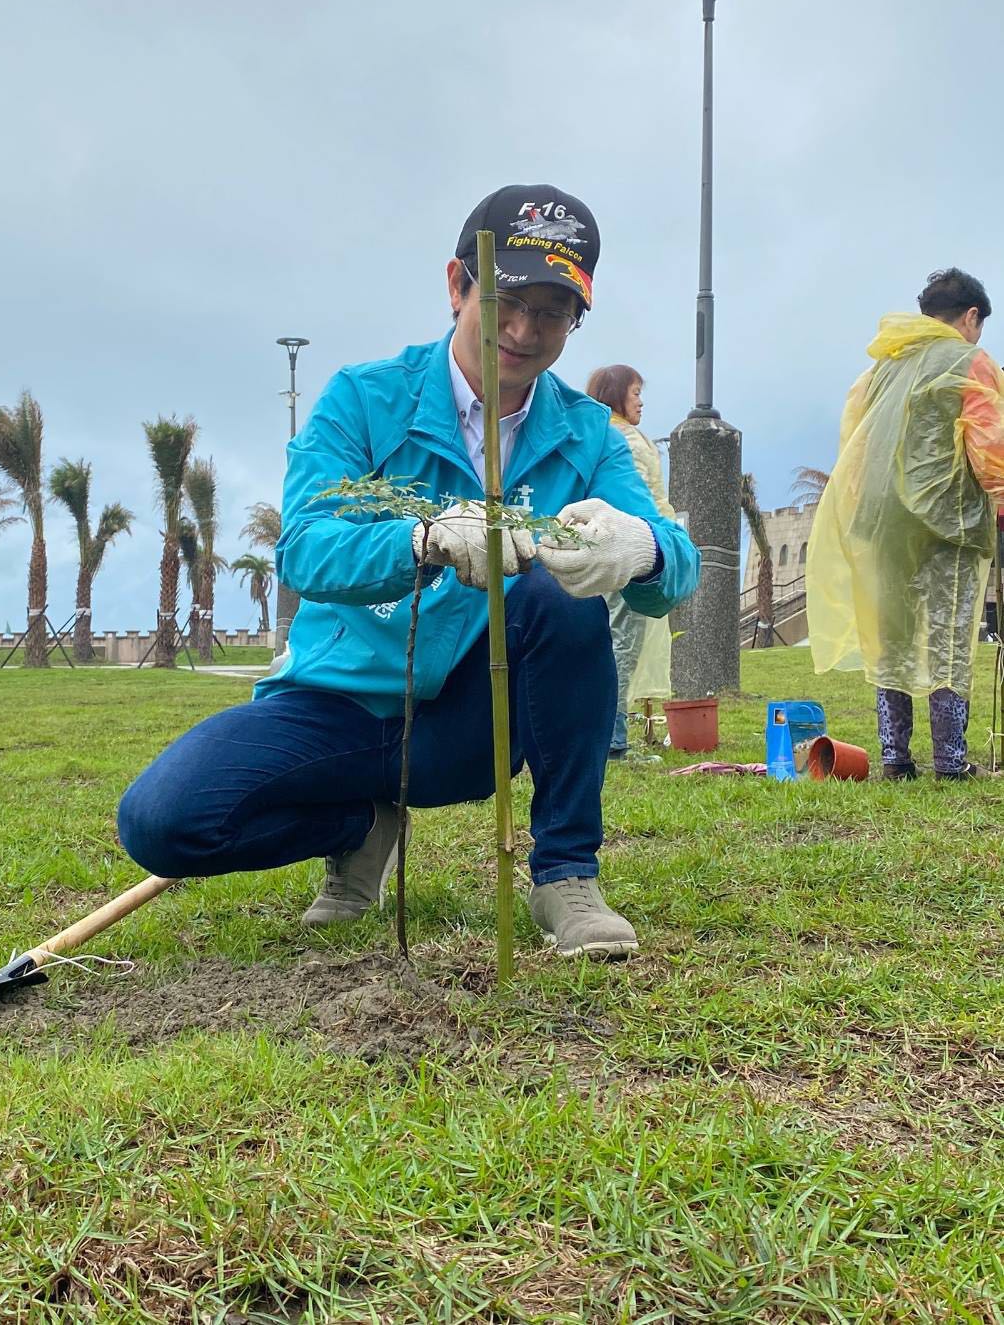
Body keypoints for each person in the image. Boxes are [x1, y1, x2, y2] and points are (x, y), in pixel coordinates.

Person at [119, 184, 700, 957]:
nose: (524, 332)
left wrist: (643, 548)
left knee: (553, 593)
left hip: (471, 725)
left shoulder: (589, 434)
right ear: (458, 284)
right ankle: (360, 825)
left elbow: (676, 564)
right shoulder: (364, 400)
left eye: (553, 310)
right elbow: (304, 547)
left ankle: (566, 873)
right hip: (339, 707)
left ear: (577, 317)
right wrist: (418, 539)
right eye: (506, 300)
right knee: (162, 819)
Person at [808, 268, 1004, 780]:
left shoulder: (879, 370)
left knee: (891, 637)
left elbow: (855, 445)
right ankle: (951, 762)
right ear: (971, 316)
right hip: (948, 524)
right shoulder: (971, 362)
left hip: (878, 523)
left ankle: (895, 759)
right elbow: (989, 449)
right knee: (948, 640)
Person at [585, 363, 675, 758]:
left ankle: (604, 736)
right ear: (616, 393)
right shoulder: (628, 441)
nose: (641, 401)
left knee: (603, 643)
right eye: (635, 392)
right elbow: (635, 503)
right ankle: (614, 740)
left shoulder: (595, 433)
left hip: (599, 553)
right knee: (621, 645)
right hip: (632, 551)